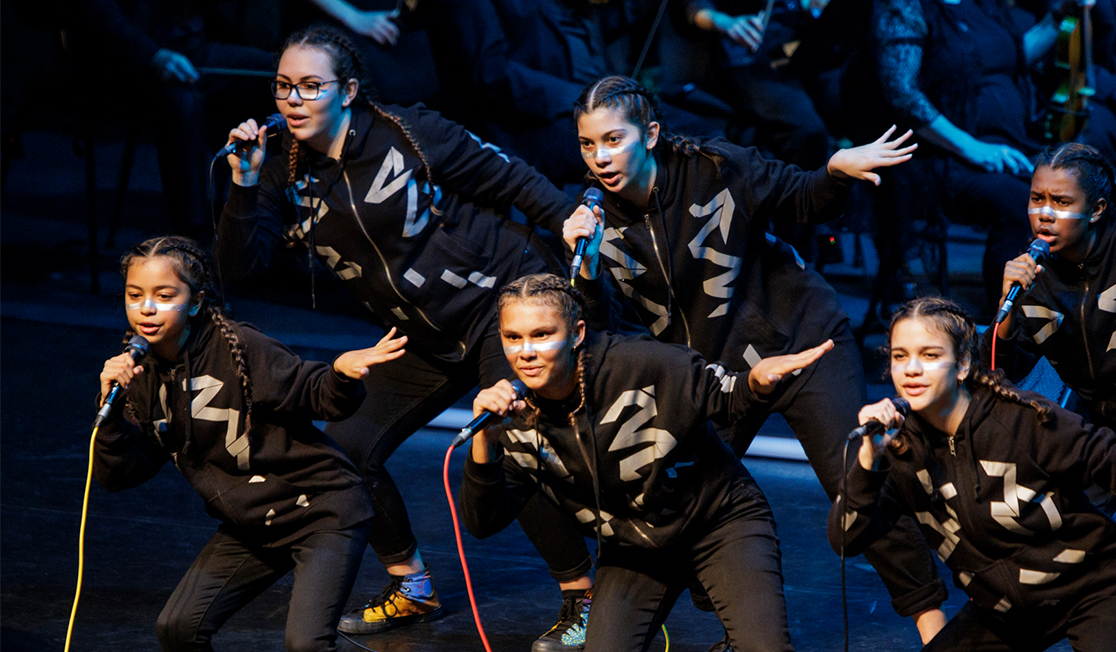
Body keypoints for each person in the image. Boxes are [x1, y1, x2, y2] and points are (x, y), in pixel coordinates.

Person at [217, 24, 596, 643]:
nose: (293, 100)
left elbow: (507, 178)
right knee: (345, 448)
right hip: (419, 334)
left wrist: (565, 219)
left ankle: (583, 598)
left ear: (348, 91)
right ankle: (412, 586)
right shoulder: (279, 169)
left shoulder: (407, 132)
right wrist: (242, 182)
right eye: (284, 86)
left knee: (510, 436)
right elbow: (239, 268)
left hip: (497, 305)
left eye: (311, 86)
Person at [561, 75, 949, 643]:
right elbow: (600, 335)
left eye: (613, 140)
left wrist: (835, 172)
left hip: (804, 341)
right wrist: (589, 270)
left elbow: (803, 196)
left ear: (651, 134)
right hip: (718, 377)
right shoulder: (594, 223)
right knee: (681, 486)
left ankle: (932, 622)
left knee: (853, 476)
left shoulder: (717, 168)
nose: (600, 157)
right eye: (587, 144)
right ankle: (735, 620)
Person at [460, 272, 835, 651]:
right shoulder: (513, 415)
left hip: (717, 522)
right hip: (635, 548)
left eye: (541, 334)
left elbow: (725, 397)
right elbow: (482, 521)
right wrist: (485, 443)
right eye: (513, 337)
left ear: (576, 334)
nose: (525, 351)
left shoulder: (641, 364)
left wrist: (755, 382)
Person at [94, 235, 407, 651]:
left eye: (164, 295)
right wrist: (112, 415)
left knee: (306, 645)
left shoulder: (237, 346)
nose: (147, 308)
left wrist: (340, 375)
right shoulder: (138, 376)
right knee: (178, 628)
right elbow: (119, 474)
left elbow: (314, 393)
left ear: (195, 301)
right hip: (253, 525)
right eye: (135, 295)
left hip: (322, 511)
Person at [830, 296, 1116, 651]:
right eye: (900, 356)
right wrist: (868, 462)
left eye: (929, 355)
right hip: (1004, 613)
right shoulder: (899, 448)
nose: (911, 369)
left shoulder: (1021, 420)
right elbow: (845, 539)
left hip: (1093, 589)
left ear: (962, 363)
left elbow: (1107, 459)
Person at [870, 0, 1109, 309]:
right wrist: (972, 147)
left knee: (1090, 186)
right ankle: (1009, 315)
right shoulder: (907, 7)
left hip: (1007, 146)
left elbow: (1015, 55)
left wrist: (1060, 14)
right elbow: (902, 94)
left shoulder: (981, 5)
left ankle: (1080, 307)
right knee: (1021, 202)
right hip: (941, 155)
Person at [982, 143, 1116, 432]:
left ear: (1096, 210)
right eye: (1036, 199)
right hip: (1080, 422)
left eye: (1061, 202)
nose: (1044, 213)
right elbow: (1003, 373)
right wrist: (1008, 306)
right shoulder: (1030, 273)